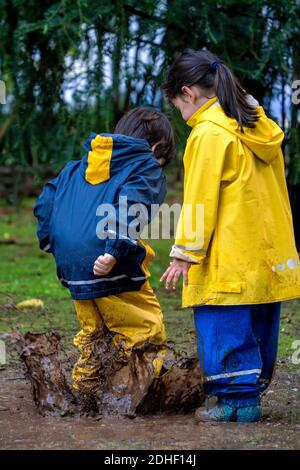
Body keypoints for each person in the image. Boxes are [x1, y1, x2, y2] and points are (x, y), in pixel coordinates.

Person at [160, 49, 300, 423]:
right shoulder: (257, 125)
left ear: (188, 93)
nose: (182, 116)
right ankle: (249, 397)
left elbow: (200, 199)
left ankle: (236, 403)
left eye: (178, 106)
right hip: (267, 256)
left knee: (222, 322)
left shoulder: (208, 133)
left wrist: (184, 252)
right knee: (259, 325)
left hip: (229, 258)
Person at [34, 107, 175, 398]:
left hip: (73, 266)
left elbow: (47, 201)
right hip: (112, 259)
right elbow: (133, 203)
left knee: (93, 334)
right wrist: (115, 249)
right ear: (156, 148)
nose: (158, 166)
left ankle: (83, 393)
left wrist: (50, 242)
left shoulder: (77, 167)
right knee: (141, 330)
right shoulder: (144, 165)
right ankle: (137, 396)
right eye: (161, 160)